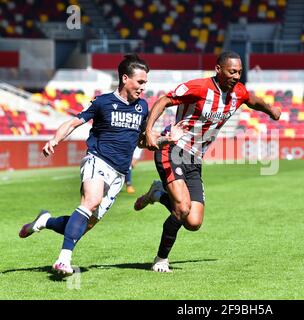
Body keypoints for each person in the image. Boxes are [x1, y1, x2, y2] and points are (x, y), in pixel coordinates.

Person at [17, 54, 180, 276]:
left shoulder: (142, 107)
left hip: (119, 174)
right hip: (98, 159)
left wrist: (163, 140)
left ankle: (45, 221)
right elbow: (74, 122)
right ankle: (63, 259)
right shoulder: (103, 102)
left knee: (84, 224)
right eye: (140, 82)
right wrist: (55, 140)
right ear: (125, 78)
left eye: (145, 82)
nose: (144, 87)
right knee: (90, 201)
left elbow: (143, 141)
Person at [133, 51, 281, 272]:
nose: (236, 76)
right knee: (182, 208)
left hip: (195, 158)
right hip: (172, 150)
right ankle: (161, 259)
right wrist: (150, 131)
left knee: (193, 222)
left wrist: (271, 110)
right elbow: (164, 100)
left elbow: (252, 100)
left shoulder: (238, 92)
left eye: (240, 72)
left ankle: (158, 194)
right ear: (218, 69)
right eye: (232, 71)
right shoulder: (200, 88)